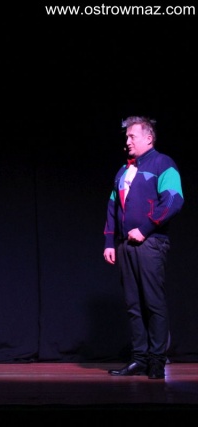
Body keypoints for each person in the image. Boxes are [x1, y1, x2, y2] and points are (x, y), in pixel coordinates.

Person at [103, 116, 184, 379]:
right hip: (125, 246)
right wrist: (110, 242)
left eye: (132, 136)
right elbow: (112, 208)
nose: (127, 141)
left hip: (151, 243)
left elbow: (173, 200)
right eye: (126, 137)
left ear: (148, 138)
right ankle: (139, 358)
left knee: (153, 303)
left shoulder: (163, 164)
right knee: (133, 304)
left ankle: (157, 361)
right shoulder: (123, 171)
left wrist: (146, 228)